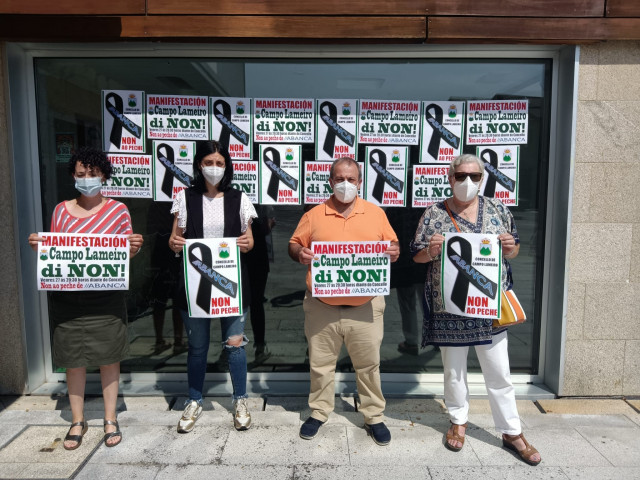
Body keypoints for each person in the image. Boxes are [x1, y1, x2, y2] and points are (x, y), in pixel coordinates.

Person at [411, 154, 541, 465]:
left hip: (488, 305)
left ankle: (511, 430)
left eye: (473, 175)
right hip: (450, 308)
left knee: (499, 372)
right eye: (460, 175)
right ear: (450, 177)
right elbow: (416, 256)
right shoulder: (433, 213)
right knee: (453, 371)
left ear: (482, 178)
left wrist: (511, 248)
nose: (466, 181)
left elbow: (515, 247)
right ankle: (458, 420)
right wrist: (430, 251)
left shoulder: (497, 209)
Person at [28, 147, 143, 450]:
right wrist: (39, 246)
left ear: (104, 175)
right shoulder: (59, 210)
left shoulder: (119, 210)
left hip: (106, 299)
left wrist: (134, 247)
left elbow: (127, 253)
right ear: (73, 176)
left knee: (109, 359)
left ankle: (110, 418)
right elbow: (55, 253)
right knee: (73, 361)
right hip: (68, 300)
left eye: (93, 173)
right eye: (81, 174)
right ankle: (77, 420)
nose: (88, 179)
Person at [288, 157, 400, 446]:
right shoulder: (314, 214)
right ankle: (319, 411)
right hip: (322, 306)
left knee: (368, 364)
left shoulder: (376, 214)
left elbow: (394, 245)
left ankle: (373, 415)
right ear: (330, 181)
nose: (345, 184)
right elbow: (294, 244)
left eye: (351, 179)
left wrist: (393, 251)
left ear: (360, 183)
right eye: (339, 179)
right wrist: (300, 253)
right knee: (321, 364)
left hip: (365, 307)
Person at [169, 140, 256, 433]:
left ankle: (240, 399)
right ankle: (194, 399)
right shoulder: (185, 197)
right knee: (197, 347)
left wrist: (246, 243)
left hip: (229, 282)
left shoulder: (239, 198)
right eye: (209, 162)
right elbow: (174, 240)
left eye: (220, 163)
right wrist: (174, 243)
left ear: (227, 166)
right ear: (198, 165)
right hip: (195, 283)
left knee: (235, 344)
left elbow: (249, 241)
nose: (215, 168)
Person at [245, 204, 275, 363]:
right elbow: (267, 227)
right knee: (254, 302)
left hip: (255, 254)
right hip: (250, 254)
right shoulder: (262, 202)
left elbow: (267, 227)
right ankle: (259, 346)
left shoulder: (262, 201)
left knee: (254, 301)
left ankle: (259, 345)